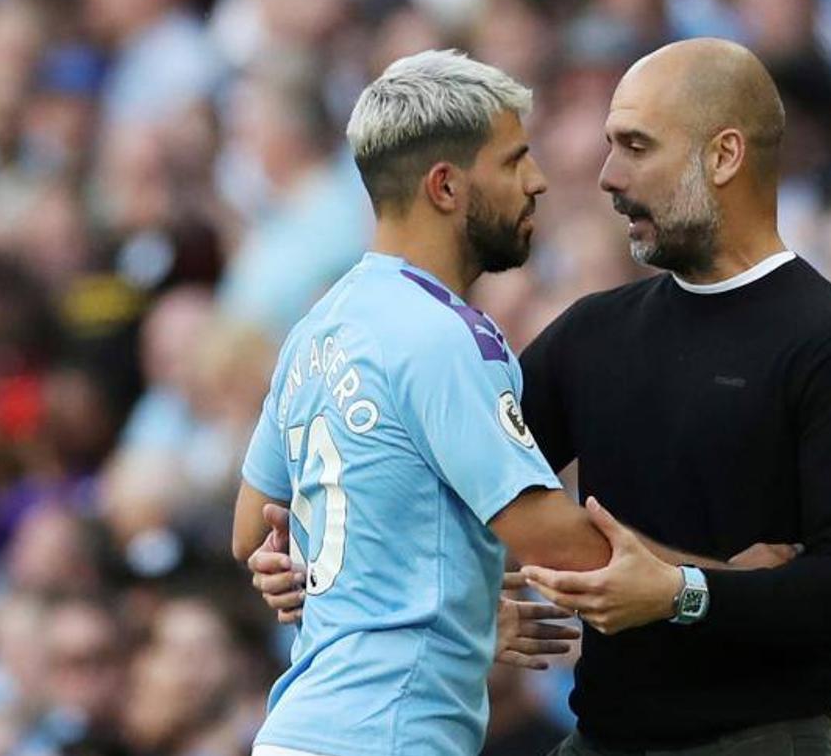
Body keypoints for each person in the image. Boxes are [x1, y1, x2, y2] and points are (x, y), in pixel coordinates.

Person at [250, 39, 831, 755]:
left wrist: (687, 593)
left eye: (635, 146)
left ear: (723, 157)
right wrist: (316, 567)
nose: (606, 176)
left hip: (761, 737)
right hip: (602, 736)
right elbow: (443, 498)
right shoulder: (593, 335)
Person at [229, 50, 614, 756]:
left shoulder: (319, 326)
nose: (537, 181)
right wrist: (713, 580)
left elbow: (251, 529)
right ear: (445, 186)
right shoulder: (446, 337)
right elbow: (561, 547)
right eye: (513, 160)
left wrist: (455, 609)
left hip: (301, 732)